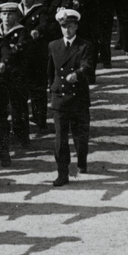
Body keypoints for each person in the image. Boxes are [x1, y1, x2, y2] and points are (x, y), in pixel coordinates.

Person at [46, 10, 96, 186]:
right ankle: (63, 173)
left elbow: (88, 66)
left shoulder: (84, 46)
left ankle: (81, 161)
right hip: (59, 97)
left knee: (81, 137)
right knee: (60, 139)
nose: (67, 30)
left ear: (76, 27)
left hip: (78, 98)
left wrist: (78, 74)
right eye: (64, 26)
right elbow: (50, 71)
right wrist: (51, 90)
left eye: (71, 26)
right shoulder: (53, 46)